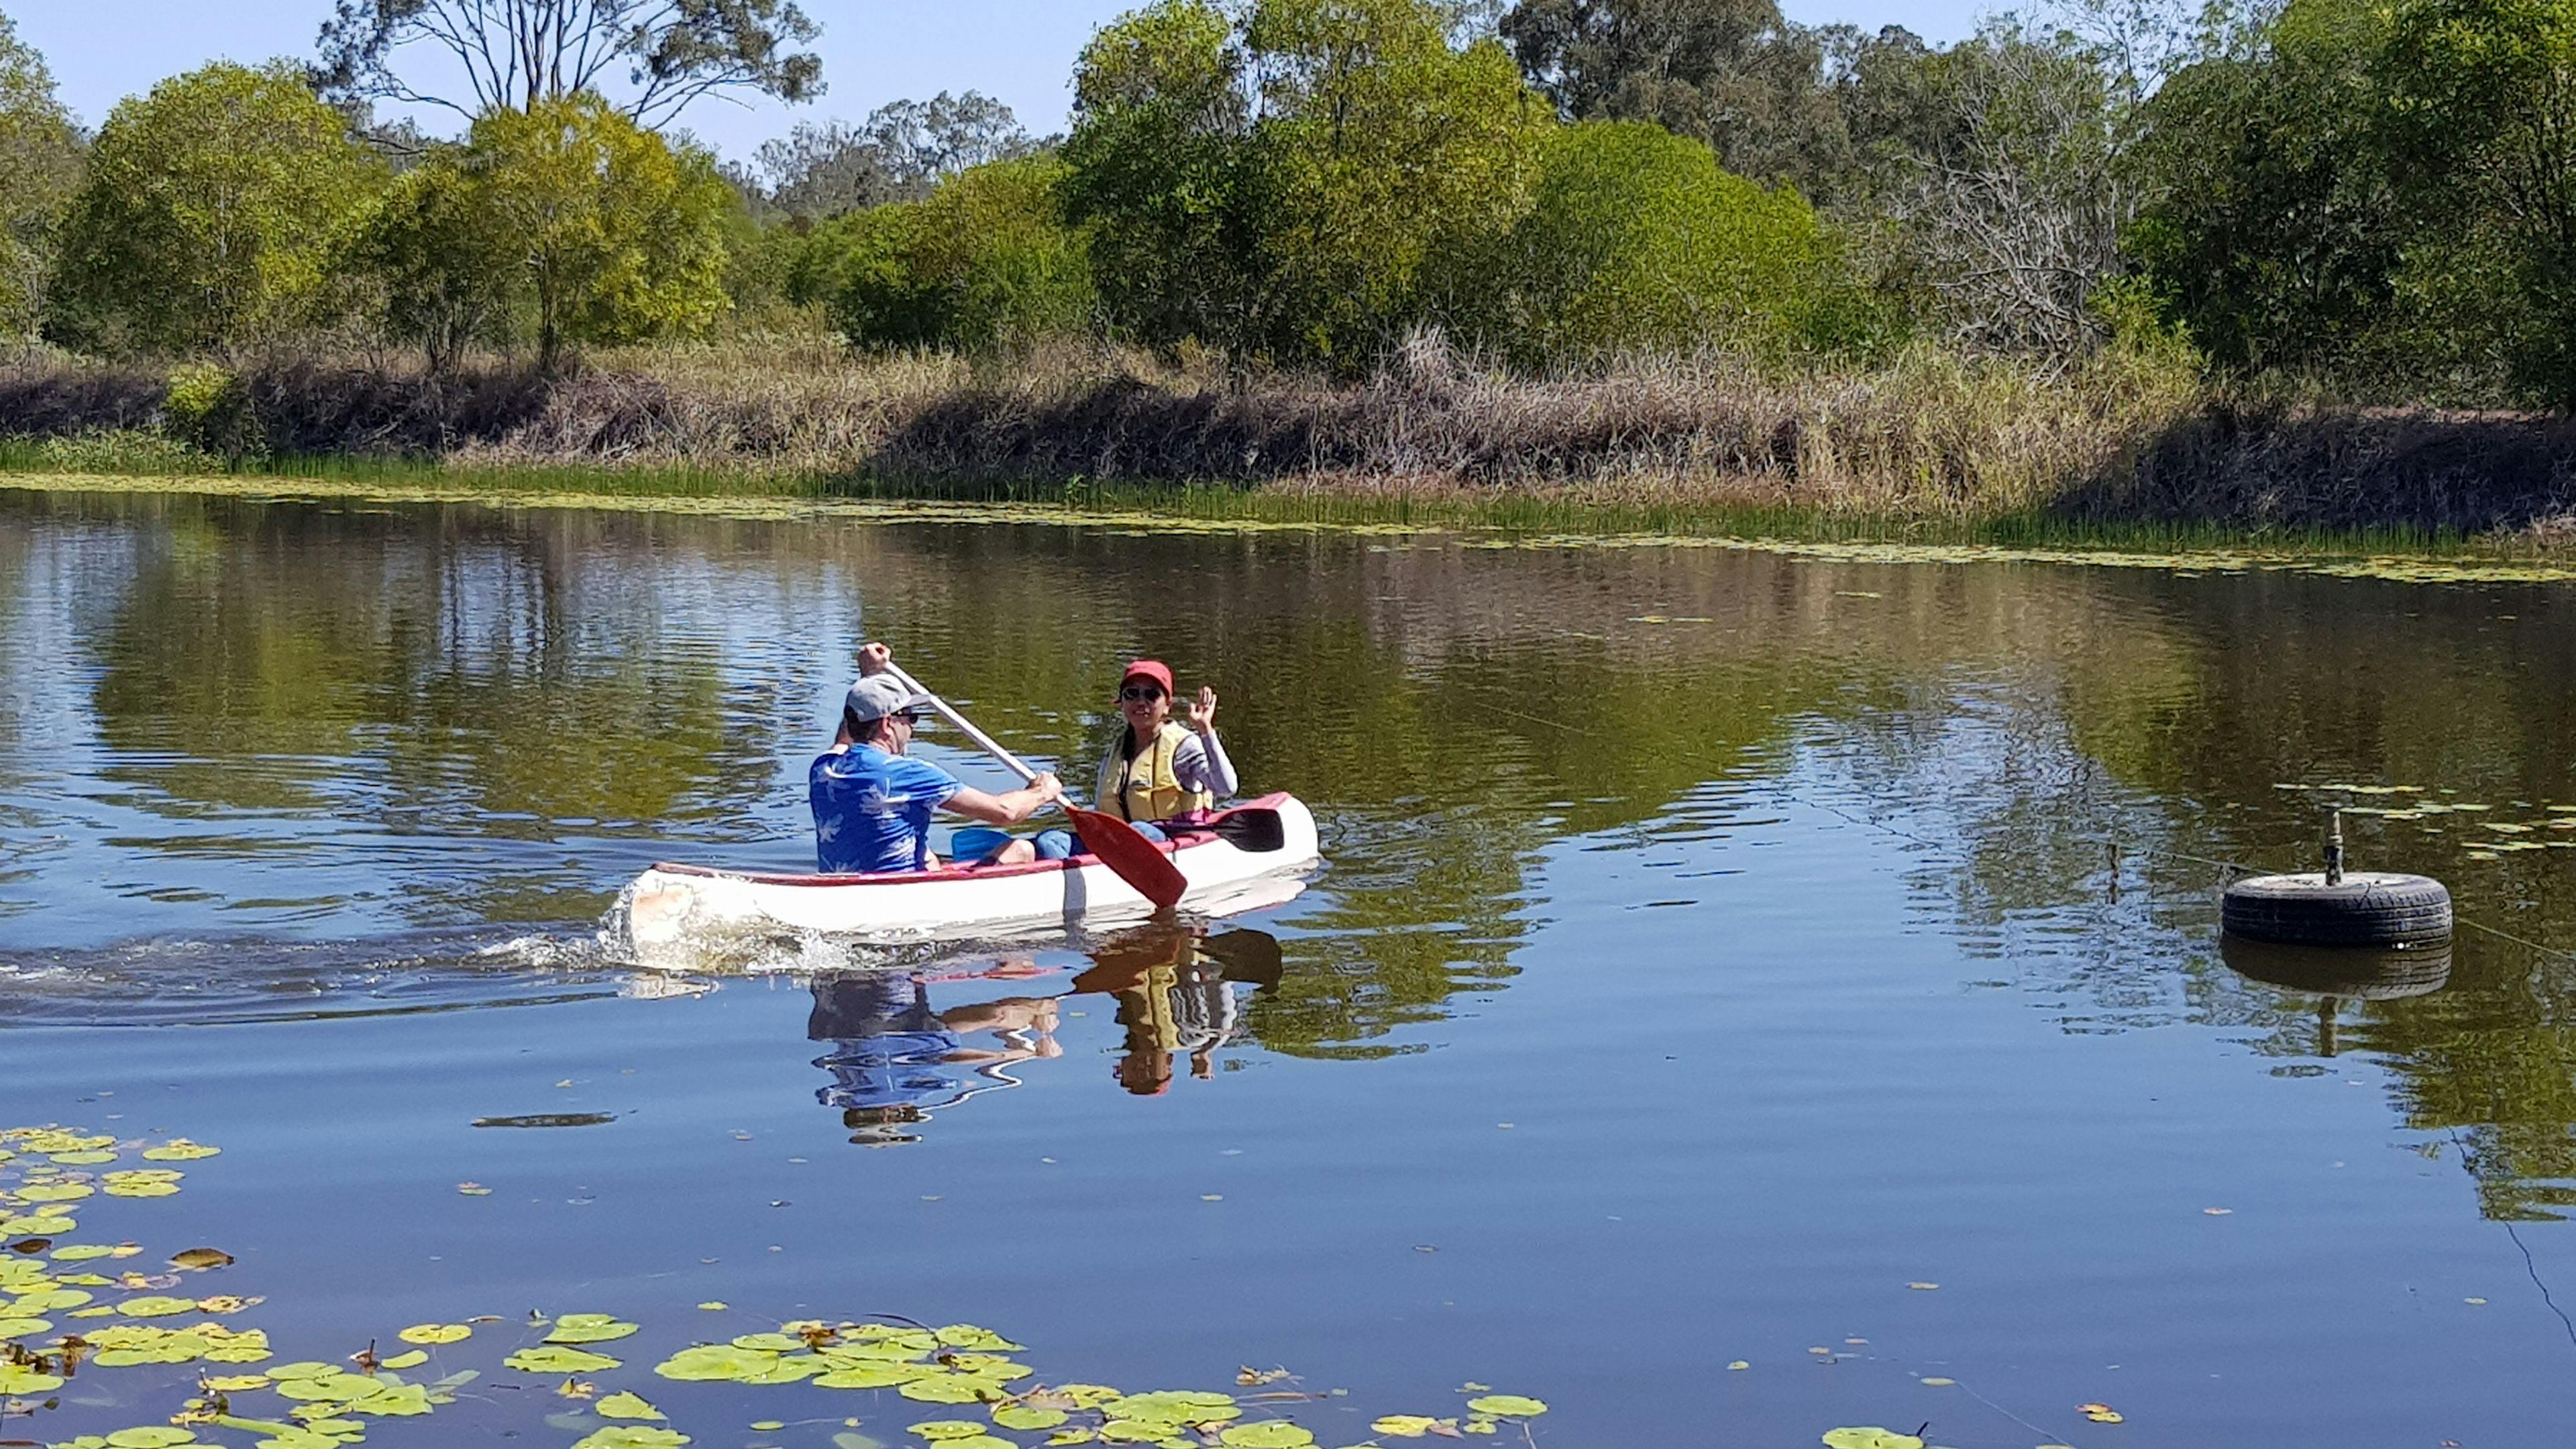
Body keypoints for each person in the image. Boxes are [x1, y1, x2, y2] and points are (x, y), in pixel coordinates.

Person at [811, 657, 1063, 873]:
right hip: (904, 892)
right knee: (1021, 849)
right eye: (911, 718)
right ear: (888, 725)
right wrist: (1042, 791)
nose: (912, 727)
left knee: (929, 856)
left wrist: (870, 679)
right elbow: (1005, 812)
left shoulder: (824, 768)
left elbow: (847, 734)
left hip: (850, 882)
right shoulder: (909, 774)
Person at [1032, 659, 1237, 860]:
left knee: (1137, 831)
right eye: (1131, 694)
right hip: (1119, 844)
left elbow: (1226, 788)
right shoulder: (1115, 751)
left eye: (1151, 694)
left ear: (1167, 705)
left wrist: (1205, 730)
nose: (1140, 702)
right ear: (1122, 702)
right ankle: (1076, 880)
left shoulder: (1184, 747)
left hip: (1169, 840)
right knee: (1049, 841)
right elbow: (1101, 809)